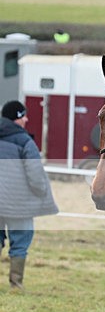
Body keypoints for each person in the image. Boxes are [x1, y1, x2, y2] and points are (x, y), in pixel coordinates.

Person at [0, 100, 58, 290]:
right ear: (16, 118)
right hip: (18, 204)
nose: (26, 119)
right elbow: (35, 174)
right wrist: (40, 191)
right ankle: (15, 284)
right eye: (23, 115)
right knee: (20, 241)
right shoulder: (25, 141)